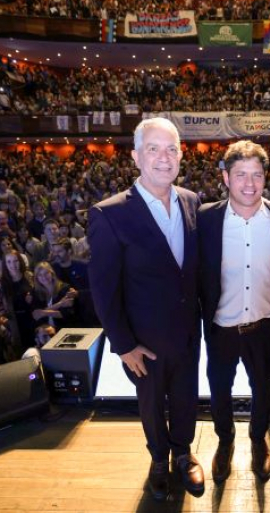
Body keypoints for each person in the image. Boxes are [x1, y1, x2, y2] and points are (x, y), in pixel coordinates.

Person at [88, 118, 203, 502]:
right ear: (136, 156)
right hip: (144, 340)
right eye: (153, 149)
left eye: (171, 149)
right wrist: (123, 345)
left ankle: (183, 454)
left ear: (181, 155)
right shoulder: (109, 213)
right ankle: (158, 460)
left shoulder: (191, 200)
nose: (163, 157)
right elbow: (104, 289)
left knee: (186, 396)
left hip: (188, 332)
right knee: (152, 405)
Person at [197, 140, 270, 484]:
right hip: (221, 327)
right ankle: (224, 442)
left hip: (264, 326)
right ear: (225, 177)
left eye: (257, 175)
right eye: (240, 175)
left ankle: (258, 440)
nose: (249, 184)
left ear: (266, 178)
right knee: (219, 389)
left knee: (263, 388)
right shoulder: (206, 219)